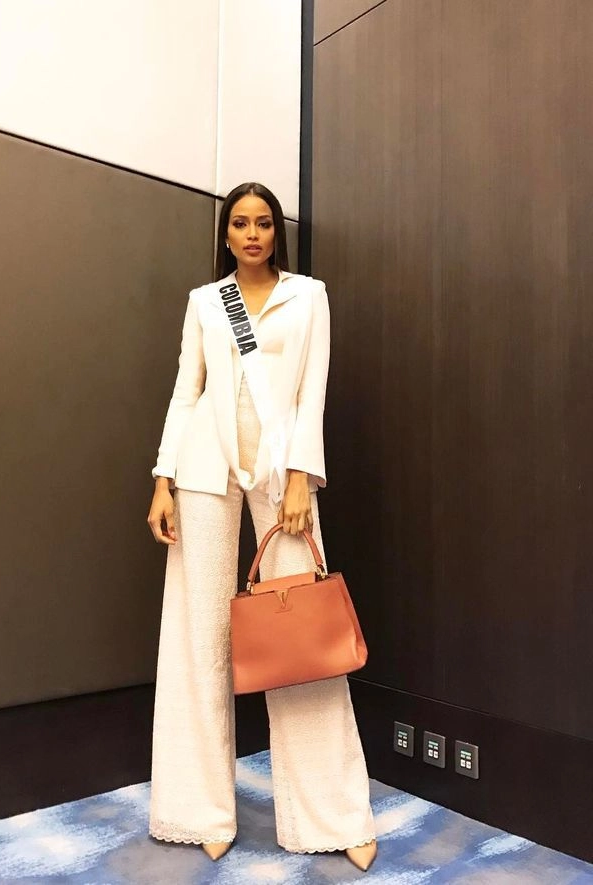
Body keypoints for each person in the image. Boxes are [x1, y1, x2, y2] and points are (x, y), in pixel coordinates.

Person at [146, 182, 378, 871]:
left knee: (303, 638)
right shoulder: (205, 302)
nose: (252, 233)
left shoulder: (308, 296)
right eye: (241, 223)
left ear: (278, 232)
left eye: (264, 223)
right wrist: (162, 478)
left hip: (282, 474)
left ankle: (333, 815)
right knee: (198, 638)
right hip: (202, 470)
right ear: (226, 234)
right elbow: (186, 390)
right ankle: (200, 809)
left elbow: (312, 390)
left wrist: (303, 474)